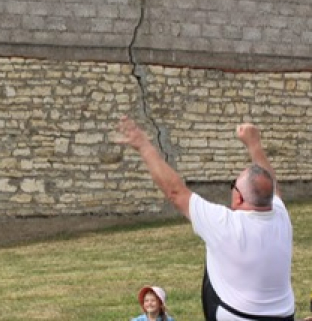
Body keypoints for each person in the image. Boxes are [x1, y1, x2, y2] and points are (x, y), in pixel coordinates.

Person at [116, 116, 295, 320]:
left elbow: (175, 192)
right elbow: (272, 186)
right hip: (284, 315)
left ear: (239, 197)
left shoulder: (224, 224)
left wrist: (143, 145)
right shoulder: (281, 216)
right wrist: (254, 144)